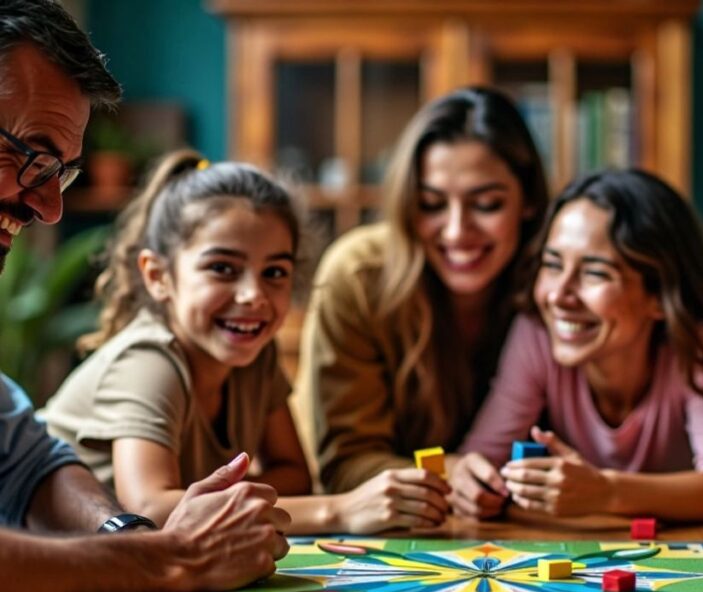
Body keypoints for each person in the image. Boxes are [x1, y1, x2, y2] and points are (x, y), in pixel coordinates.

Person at [0, 0, 288, 592]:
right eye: (32, 156)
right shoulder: (150, 357)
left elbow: (28, 460)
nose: (49, 207)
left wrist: (126, 533)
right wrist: (172, 557)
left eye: (61, 172)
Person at [42, 150, 443, 534]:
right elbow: (151, 509)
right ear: (158, 275)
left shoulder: (255, 356)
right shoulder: (148, 360)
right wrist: (340, 509)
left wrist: (219, 500)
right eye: (222, 268)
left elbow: (294, 475)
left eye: (274, 272)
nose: (254, 295)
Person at [451, 169, 703, 521]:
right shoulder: (536, 334)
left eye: (595, 272)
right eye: (552, 264)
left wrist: (607, 492)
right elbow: (480, 457)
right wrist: (471, 481)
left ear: (659, 296)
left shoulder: (698, 344)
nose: (559, 295)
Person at [292, 86, 549, 520]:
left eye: (486, 204)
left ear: (528, 201)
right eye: (430, 205)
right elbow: (345, 467)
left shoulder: (554, 282)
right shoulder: (357, 276)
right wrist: (452, 471)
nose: (456, 231)